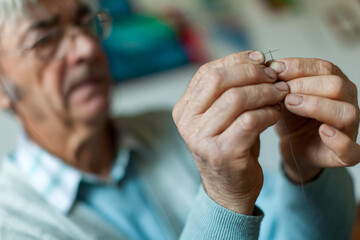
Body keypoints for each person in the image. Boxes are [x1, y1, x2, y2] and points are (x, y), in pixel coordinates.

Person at [0, 0, 358, 239]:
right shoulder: (10, 223)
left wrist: (307, 170)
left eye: (85, 25)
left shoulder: (172, 131)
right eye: (45, 38)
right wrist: (223, 201)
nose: (86, 48)